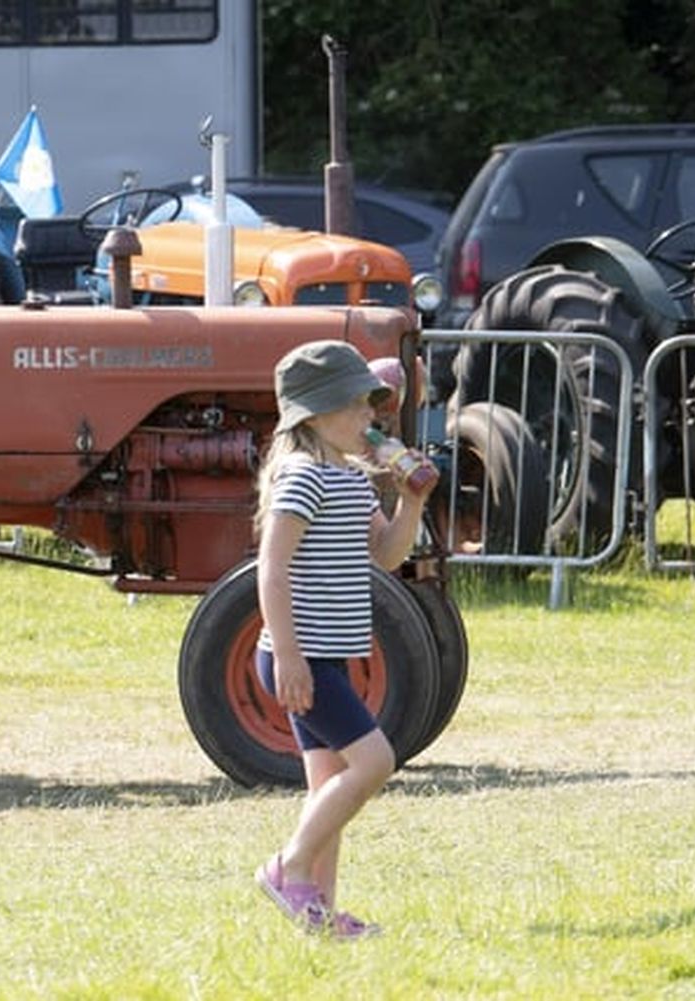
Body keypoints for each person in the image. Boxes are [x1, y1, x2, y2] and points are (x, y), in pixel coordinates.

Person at [252, 340, 438, 940]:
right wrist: (287, 653)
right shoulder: (303, 477)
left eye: (370, 407)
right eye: (357, 407)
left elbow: (385, 556)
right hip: (300, 655)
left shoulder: (351, 479)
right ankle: (288, 866)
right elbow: (271, 568)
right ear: (314, 414)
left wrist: (410, 503)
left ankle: (320, 913)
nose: (370, 419)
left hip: (328, 653)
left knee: (330, 788)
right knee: (375, 761)